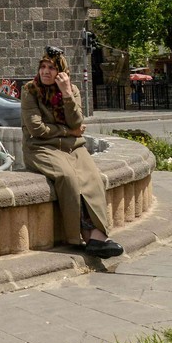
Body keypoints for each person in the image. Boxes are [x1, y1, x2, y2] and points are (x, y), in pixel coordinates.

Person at [20, 47, 123, 259]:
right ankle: (85, 235)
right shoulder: (30, 91)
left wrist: (66, 93)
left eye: (51, 68)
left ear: (62, 73)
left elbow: (77, 121)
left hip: (72, 146)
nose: (46, 72)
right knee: (68, 178)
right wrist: (68, 131)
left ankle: (99, 235)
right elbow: (36, 129)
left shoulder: (72, 90)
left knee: (93, 178)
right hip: (40, 147)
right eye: (43, 67)